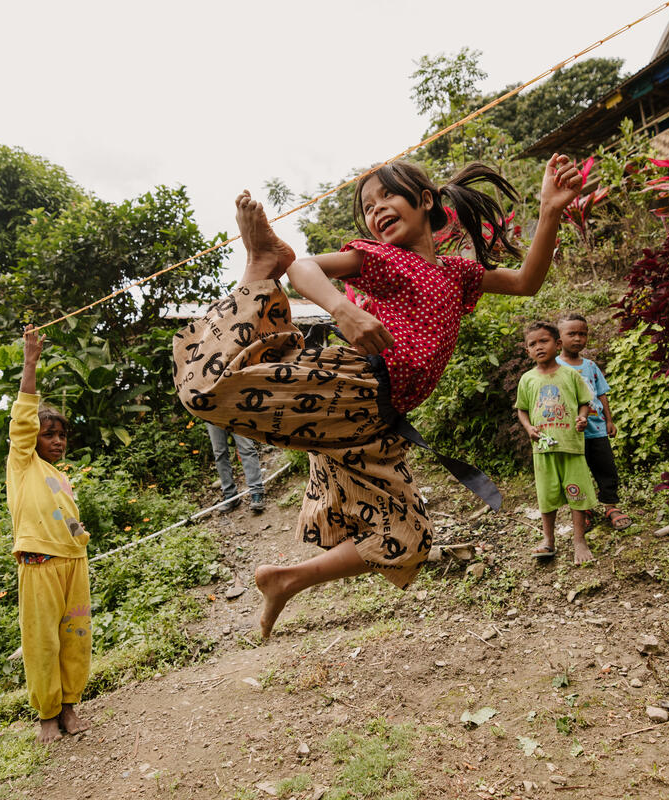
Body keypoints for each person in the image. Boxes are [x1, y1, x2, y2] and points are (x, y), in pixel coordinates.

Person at [173, 154, 582, 638]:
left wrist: (550, 210)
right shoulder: (385, 259)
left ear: (424, 200)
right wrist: (342, 309)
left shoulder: (456, 274)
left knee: (407, 541)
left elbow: (526, 282)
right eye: (368, 206)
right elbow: (303, 267)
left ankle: (286, 580)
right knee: (204, 390)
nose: (376, 209)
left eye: (387, 195)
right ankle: (257, 267)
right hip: (352, 386)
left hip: (374, 424)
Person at [8, 326, 91, 744]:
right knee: (41, 643)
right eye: (49, 434)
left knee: (76, 637)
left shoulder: (60, 477)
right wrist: (30, 361)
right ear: (31, 440)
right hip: (38, 565)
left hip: (74, 565)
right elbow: (23, 418)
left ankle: (71, 706)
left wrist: (80, 534)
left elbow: (68, 518)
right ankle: (46, 715)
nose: (57, 441)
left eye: (61, 435)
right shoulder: (23, 463)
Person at [515, 321, 598, 565]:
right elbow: (522, 410)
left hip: (571, 445)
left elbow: (585, 402)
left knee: (577, 494)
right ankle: (548, 540)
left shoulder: (570, 374)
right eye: (533, 344)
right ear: (527, 350)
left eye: (544, 341)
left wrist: (582, 417)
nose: (539, 347)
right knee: (547, 495)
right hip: (543, 449)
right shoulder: (527, 379)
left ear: (557, 344)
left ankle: (579, 541)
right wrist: (529, 427)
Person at [556, 313, 631, 531]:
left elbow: (601, 394)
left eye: (583, 334)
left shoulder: (590, 366)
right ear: (559, 339)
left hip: (596, 429)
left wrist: (609, 420)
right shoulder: (555, 367)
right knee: (577, 473)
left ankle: (610, 505)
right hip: (570, 433)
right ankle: (584, 509)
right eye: (572, 334)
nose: (578, 338)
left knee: (606, 468)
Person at [205, 422, 265, 513]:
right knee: (219, 453)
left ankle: (257, 492)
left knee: (246, 447)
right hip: (211, 413)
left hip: (235, 410)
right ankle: (230, 496)